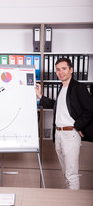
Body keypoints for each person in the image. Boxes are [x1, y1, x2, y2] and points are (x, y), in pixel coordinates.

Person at [36, 58, 93, 190]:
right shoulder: (62, 88)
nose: (60, 72)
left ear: (71, 70)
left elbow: (90, 109)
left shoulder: (79, 87)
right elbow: (57, 106)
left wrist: (78, 126)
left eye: (64, 69)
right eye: (58, 69)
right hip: (59, 134)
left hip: (70, 135)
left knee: (71, 174)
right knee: (66, 173)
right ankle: (70, 201)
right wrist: (40, 96)